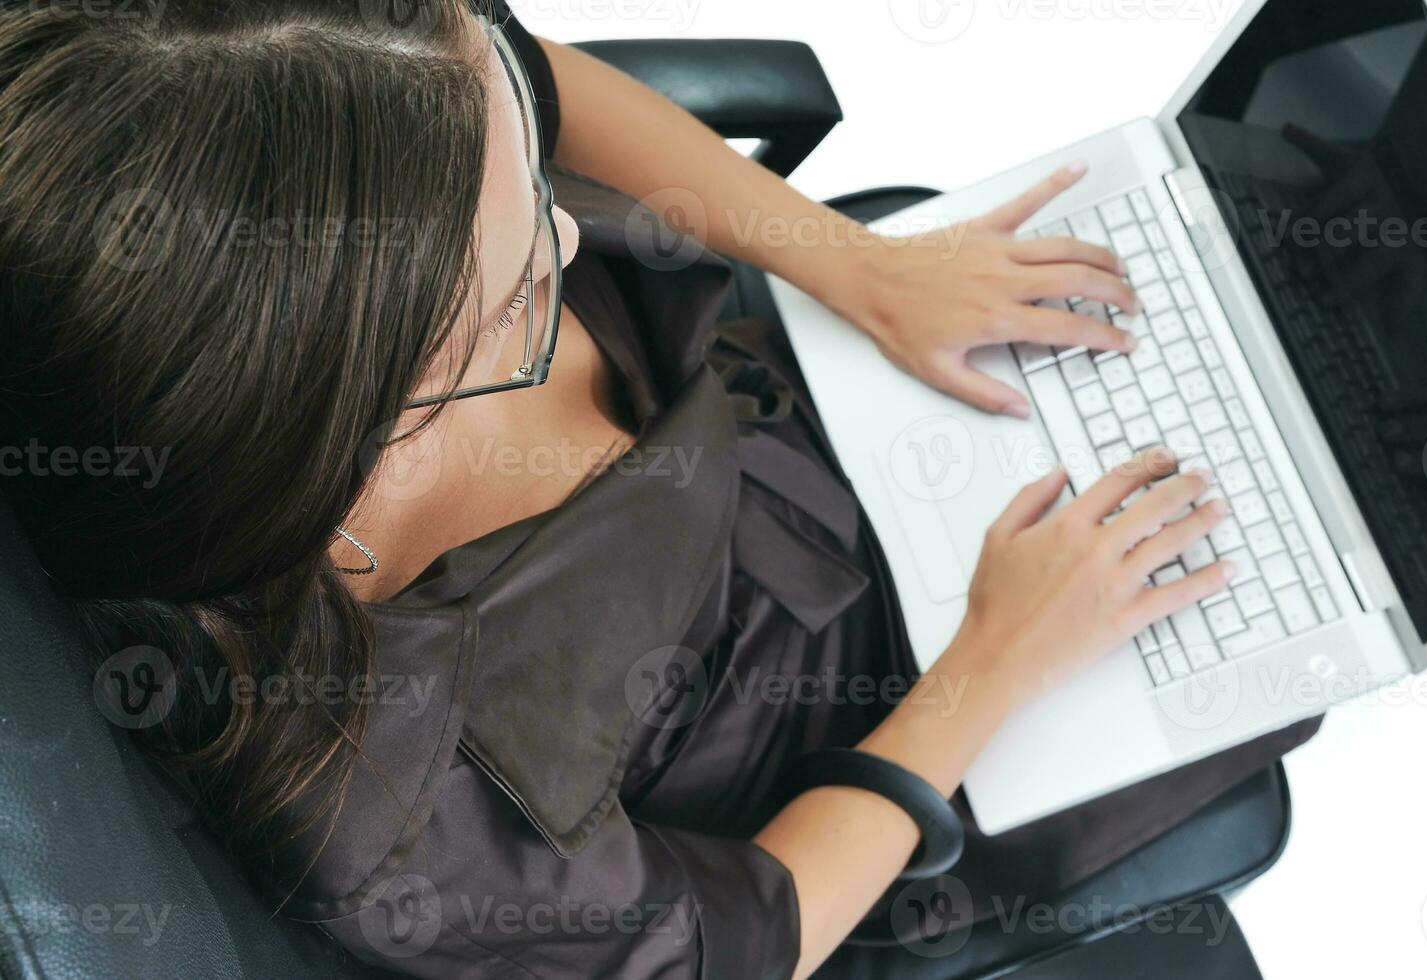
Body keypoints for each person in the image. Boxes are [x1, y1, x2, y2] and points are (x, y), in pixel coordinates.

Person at [0, 1, 1318, 976]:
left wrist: (858, 268)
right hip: (857, 719)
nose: (573, 234)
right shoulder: (401, 814)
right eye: (526, 287)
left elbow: (523, 77)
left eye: (525, 166)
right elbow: (749, 936)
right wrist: (995, 662)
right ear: (374, 431)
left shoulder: (281, 82)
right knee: (1300, 585)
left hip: (790, 416)